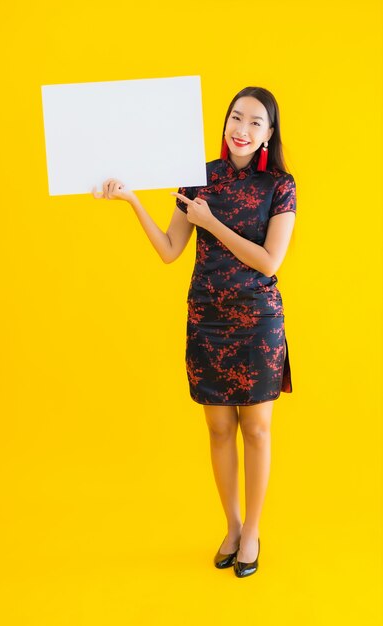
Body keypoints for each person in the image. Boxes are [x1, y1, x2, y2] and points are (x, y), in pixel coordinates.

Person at [92, 86, 297, 578]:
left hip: (258, 320)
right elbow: (168, 250)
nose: (241, 129)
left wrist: (213, 222)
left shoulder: (281, 185)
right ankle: (230, 526)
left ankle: (252, 532)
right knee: (219, 429)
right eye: (235, 118)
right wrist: (131, 200)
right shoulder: (199, 177)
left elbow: (269, 262)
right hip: (208, 318)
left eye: (254, 122)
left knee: (257, 429)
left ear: (269, 134)